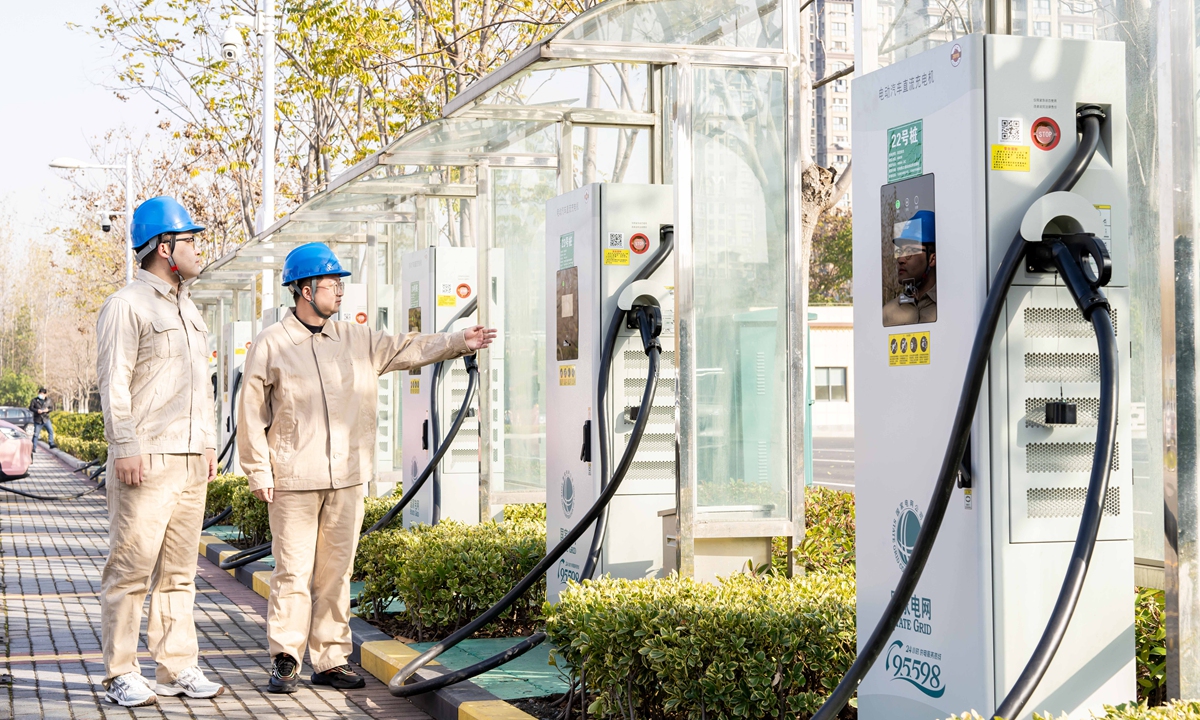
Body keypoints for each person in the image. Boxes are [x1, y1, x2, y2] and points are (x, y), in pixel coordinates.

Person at [238, 242, 496, 694]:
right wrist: (258, 471)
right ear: (304, 290)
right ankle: (285, 658)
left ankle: (331, 659)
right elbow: (251, 413)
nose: (340, 291)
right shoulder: (272, 343)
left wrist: (459, 341)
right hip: (294, 480)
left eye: (341, 283)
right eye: (331, 284)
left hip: (348, 478)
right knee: (292, 573)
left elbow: (408, 347)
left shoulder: (356, 339)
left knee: (336, 575)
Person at [95, 196, 224, 707]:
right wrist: (124, 446)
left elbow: (201, 388)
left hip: (190, 460)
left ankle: (176, 667)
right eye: (190, 240)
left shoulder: (188, 308)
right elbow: (114, 383)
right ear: (164, 247)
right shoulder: (127, 305)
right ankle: (120, 673)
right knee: (130, 570)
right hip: (145, 460)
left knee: (179, 574)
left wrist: (207, 443)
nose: (198, 249)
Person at [882, 209, 937, 326]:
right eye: (900, 251)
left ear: (932, 259)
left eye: (910, 250)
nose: (901, 259)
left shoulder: (950, 307)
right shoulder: (888, 313)